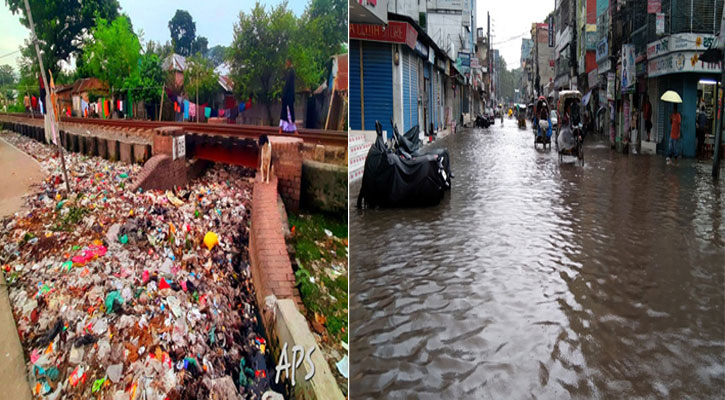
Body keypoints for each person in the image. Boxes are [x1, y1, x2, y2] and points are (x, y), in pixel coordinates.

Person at [279, 58, 297, 134]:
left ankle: (282, 129)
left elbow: (288, 85)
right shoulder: (289, 72)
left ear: (289, 62)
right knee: (287, 112)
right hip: (288, 96)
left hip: (288, 96)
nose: (285, 64)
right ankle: (282, 129)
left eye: (286, 62)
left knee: (287, 112)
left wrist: (283, 95)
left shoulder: (291, 72)